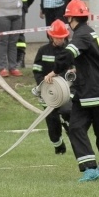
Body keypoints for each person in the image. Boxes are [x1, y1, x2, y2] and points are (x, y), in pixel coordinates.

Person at [44, 0, 99, 182]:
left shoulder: (82, 35)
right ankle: (90, 168)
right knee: (76, 127)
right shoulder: (87, 32)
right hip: (86, 93)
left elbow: (69, 54)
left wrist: (55, 71)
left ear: (71, 19)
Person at [32, 19, 71, 155]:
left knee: (68, 112)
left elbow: (74, 71)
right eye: (56, 37)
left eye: (62, 37)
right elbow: (37, 70)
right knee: (52, 121)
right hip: (48, 93)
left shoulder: (69, 50)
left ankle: (70, 129)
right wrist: (42, 84)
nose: (60, 40)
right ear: (50, 36)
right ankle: (58, 145)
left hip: (66, 92)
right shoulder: (43, 51)